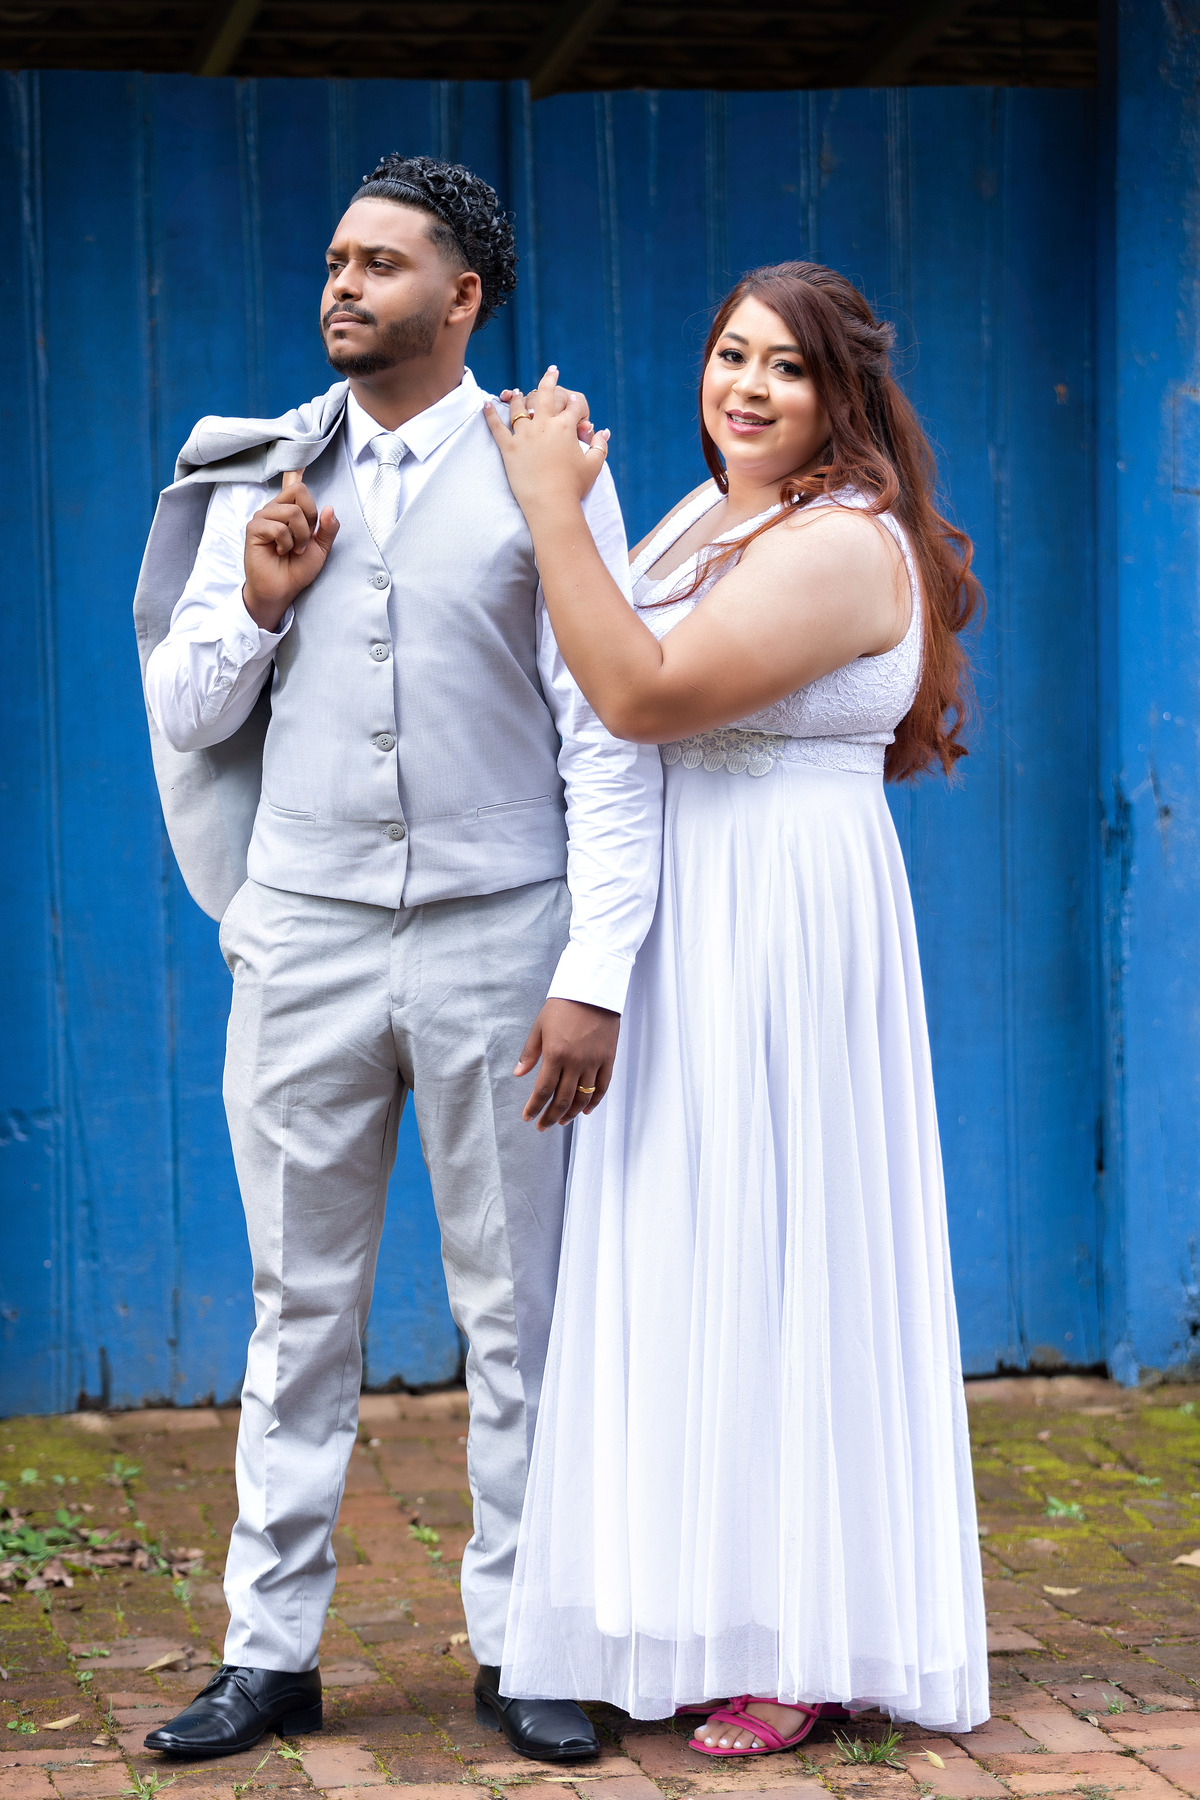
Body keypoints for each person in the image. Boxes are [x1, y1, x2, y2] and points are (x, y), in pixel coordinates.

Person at [132, 154, 662, 1763]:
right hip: (303, 942)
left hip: (504, 939)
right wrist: (258, 604)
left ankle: (527, 1643)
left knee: (520, 1311)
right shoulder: (263, 470)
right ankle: (268, 1653)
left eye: (380, 264)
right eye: (335, 262)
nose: (343, 286)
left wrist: (595, 970)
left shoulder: (548, 472)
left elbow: (609, 738)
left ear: (464, 295)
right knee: (295, 1310)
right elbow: (185, 715)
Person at [485, 261, 990, 1746]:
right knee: (698, 1248)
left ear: (846, 395)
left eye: (787, 366)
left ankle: (807, 1638)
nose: (748, 388)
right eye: (730, 354)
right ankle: (711, 1600)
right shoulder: (712, 515)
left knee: (788, 1247)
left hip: (782, 916)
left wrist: (551, 508)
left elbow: (642, 695)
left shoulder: (839, 540)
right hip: (688, 915)